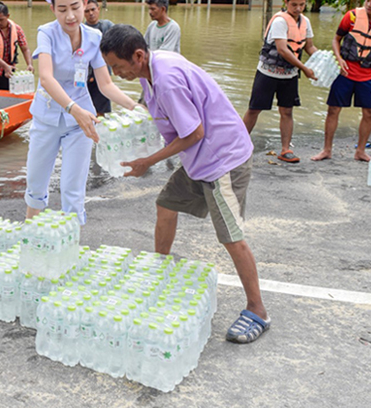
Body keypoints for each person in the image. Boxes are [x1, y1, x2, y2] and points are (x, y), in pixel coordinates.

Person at [100, 24, 269, 344]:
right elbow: (157, 116)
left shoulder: (167, 80)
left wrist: (147, 162)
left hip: (222, 160)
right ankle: (159, 270)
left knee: (231, 238)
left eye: (118, 67)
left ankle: (258, 309)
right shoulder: (153, 68)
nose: (116, 72)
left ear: (137, 55)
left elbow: (194, 134)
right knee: (165, 205)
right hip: (198, 159)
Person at [25, 0, 137, 224]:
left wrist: (134, 107)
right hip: (48, 117)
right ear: (52, 9)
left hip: (81, 123)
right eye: (62, 9)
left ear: (85, 4)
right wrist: (73, 108)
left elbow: (105, 84)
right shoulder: (46, 33)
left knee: (74, 188)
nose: (70, 15)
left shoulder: (94, 37)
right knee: (36, 183)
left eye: (75, 6)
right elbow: (46, 78)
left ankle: (71, 246)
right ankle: (30, 234)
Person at [312, 0, 371, 162]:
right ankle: (326, 149)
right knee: (333, 109)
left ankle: (360, 151)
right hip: (345, 73)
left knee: (370, 113)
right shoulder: (351, 16)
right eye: (367, 0)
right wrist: (338, 58)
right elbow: (336, 39)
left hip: (368, 76)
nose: (369, 5)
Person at [243, 0, 318, 164]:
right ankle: (238, 145)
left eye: (302, 4)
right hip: (268, 73)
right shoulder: (279, 21)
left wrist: (323, 61)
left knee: (287, 111)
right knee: (254, 109)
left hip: (289, 75)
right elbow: (283, 50)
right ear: (286, 2)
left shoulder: (305, 22)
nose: (298, 9)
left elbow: (309, 46)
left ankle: (285, 149)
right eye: (294, 5)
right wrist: (305, 69)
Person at [0, 2, 33, 91]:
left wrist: (29, 64)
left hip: (9, 72)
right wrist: (5, 66)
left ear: (8, 16)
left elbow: (25, 48)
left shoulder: (17, 29)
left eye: (1, 19)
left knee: (8, 96)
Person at [84, 0, 114, 116]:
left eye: (93, 10)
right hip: (85, 76)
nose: (91, 13)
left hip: (104, 74)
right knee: (86, 108)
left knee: (102, 110)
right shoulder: (81, 30)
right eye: (87, 11)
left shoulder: (108, 26)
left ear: (98, 9)